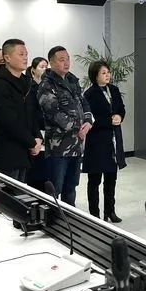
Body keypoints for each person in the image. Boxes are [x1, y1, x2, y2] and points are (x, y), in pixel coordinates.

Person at [38, 46, 93, 206]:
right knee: (55, 188)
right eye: (61, 60)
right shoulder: (47, 85)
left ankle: (69, 216)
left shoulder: (72, 81)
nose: (66, 62)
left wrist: (88, 122)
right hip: (59, 147)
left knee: (71, 186)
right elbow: (53, 113)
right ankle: (54, 217)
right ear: (51, 62)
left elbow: (84, 103)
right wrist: (78, 128)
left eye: (67, 59)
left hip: (77, 145)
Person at [0, 39, 43, 181]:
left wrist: (38, 137)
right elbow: (9, 121)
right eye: (21, 54)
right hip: (6, 153)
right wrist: (31, 142)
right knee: (7, 193)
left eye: (26, 54)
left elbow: (32, 113)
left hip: (24, 151)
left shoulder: (26, 82)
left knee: (21, 191)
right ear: (7, 58)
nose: (25, 58)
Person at [83, 61, 126, 223]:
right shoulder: (89, 94)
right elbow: (90, 117)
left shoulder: (113, 89)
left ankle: (110, 211)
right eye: (103, 73)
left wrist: (119, 116)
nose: (107, 75)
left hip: (113, 139)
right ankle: (94, 214)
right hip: (97, 141)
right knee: (94, 180)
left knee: (111, 178)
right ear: (95, 75)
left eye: (108, 72)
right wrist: (109, 120)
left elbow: (121, 108)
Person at [25, 57, 49, 191]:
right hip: (36, 131)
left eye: (46, 67)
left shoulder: (48, 86)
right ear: (33, 70)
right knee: (36, 172)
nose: (45, 69)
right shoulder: (29, 87)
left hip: (48, 131)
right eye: (41, 67)